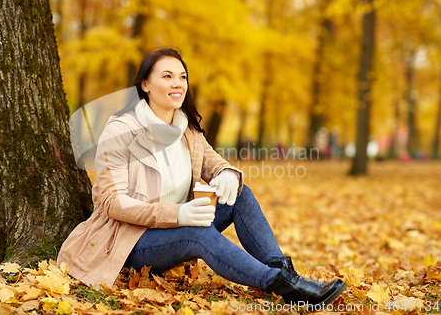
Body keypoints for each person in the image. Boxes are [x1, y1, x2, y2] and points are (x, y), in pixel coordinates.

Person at [57, 47, 347, 306]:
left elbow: (217, 164)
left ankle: (286, 274)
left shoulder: (188, 130)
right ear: (145, 84)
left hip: (176, 230)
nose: (177, 84)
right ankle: (281, 286)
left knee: (240, 194)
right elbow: (111, 202)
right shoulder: (120, 131)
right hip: (128, 243)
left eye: (182, 77)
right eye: (167, 76)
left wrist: (228, 176)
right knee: (198, 233)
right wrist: (178, 214)